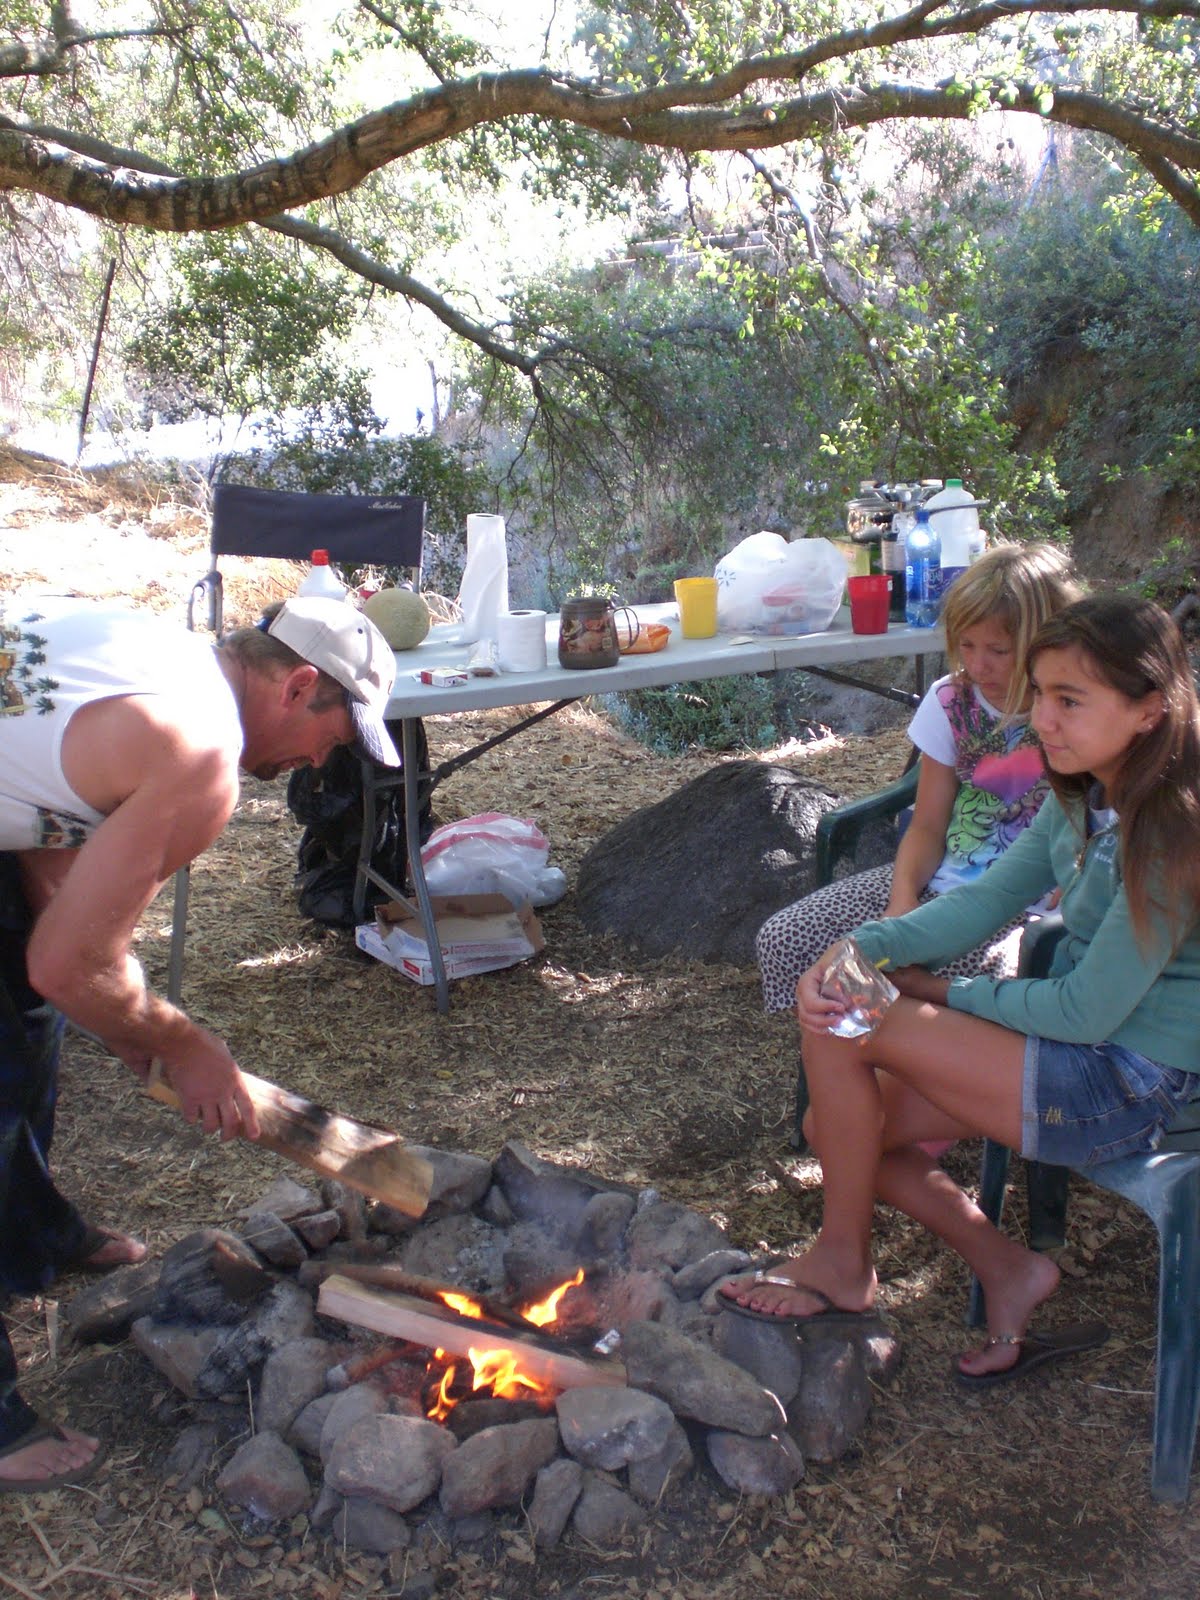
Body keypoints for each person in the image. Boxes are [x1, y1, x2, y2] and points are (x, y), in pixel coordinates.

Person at [720, 594, 1200, 1385]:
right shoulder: (1086, 797)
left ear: (1149, 709)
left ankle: (842, 1263)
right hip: (1084, 1053)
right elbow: (979, 903)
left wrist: (939, 993)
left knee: (847, 1018)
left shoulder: (1168, 831)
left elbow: (1084, 1011)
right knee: (835, 1121)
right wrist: (862, 943)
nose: (1042, 719)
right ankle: (1007, 1266)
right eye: (1040, 694)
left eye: (1069, 700)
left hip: (1131, 1083)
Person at [0, 592, 401, 1492]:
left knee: (21, 1031)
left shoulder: (147, 649)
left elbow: (36, 828)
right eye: (335, 737)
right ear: (299, 686)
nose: (322, 761)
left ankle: (32, 1232)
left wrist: (124, 1016)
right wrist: (184, 1045)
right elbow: (69, 961)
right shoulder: (203, 756)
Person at [757, 543, 1083, 1019]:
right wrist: (903, 900)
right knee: (785, 938)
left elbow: (1091, 834)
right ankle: (846, 1053)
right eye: (965, 646)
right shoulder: (953, 699)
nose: (978, 666)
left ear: (1046, 643)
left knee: (912, 980)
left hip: (1024, 909)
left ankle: (895, 1065)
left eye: (997, 650)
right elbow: (928, 824)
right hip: (940, 882)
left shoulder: (1077, 716)